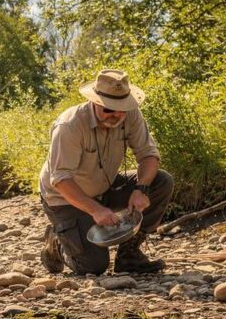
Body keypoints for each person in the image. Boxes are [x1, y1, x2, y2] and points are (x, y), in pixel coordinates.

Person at [38, 69, 174, 275]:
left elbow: (149, 155)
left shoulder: (130, 114)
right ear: (95, 102)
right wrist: (95, 210)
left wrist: (142, 188)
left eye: (122, 108)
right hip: (63, 197)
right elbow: (60, 180)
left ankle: (129, 255)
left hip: (104, 186)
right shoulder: (70, 125)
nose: (116, 114)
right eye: (109, 109)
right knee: (93, 267)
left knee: (161, 181)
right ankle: (57, 243)